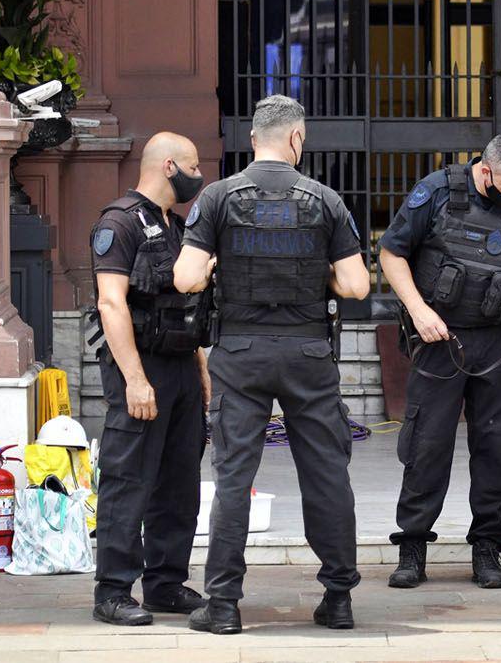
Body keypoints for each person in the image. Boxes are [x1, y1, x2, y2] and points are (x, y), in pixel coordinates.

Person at [173, 95, 370, 634]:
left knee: (234, 478)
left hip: (240, 352)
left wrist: (218, 262)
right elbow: (355, 285)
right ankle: (338, 597)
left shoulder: (217, 197)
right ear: (297, 139)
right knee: (327, 473)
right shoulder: (326, 200)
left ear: (253, 138)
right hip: (308, 353)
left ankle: (223, 607)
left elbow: (186, 279)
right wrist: (321, 277)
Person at [379, 133, 501, 590]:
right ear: (486, 170)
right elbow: (391, 253)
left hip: (496, 341)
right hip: (439, 338)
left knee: (495, 446)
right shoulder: (436, 192)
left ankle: (487, 550)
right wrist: (419, 310)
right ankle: (413, 548)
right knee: (426, 445)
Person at [89, 132, 211, 627]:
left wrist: (201, 370)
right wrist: (135, 380)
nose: (197, 175)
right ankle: (113, 591)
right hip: (139, 366)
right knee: (128, 479)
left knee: (179, 483)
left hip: (181, 366)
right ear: (167, 167)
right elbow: (111, 303)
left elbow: (188, 304)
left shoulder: (178, 225)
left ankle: (165, 584)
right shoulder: (118, 222)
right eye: (193, 165)